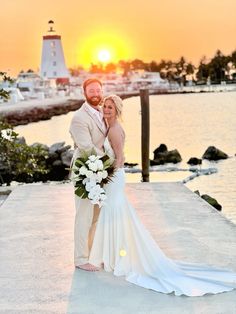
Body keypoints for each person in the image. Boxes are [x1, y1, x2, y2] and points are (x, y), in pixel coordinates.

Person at [88, 94, 236, 296]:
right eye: (105, 106)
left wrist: (106, 177)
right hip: (113, 178)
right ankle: (114, 257)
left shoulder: (114, 130)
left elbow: (120, 158)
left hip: (113, 178)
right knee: (115, 215)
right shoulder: (109, 127)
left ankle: (116, 258)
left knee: (114, 214)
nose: (106, 110)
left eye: (110, 108)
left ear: (117, 111)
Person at [69, 78, 107, 271]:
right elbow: (86, 147)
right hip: (86, 169)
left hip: (101, 172)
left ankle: (92, 254)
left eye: (98, 90)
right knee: (84, 216)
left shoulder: (102, 112)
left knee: (96, 216)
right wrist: (111, 161)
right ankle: (81, 259)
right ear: (84, 93)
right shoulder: (79, 118)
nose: (95, 93)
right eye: (91, 90)